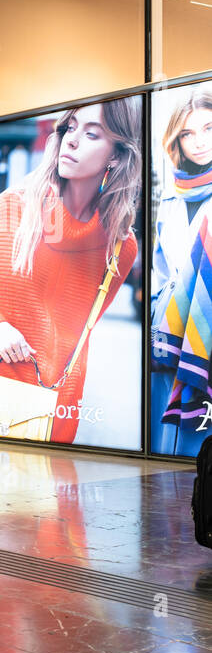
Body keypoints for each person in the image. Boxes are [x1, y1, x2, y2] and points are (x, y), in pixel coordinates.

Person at [0, 98, 142, 443]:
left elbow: (79, 329)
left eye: (92, 134)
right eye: (69, 128)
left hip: (60, 404)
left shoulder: (121, 246)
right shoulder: (10, 209)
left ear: (117, 155)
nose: (71, 141)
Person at [151, 86, 212, 455]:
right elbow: (162, 269)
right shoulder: (171, 196)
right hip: (170, 339)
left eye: (209, 128)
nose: (199, 142)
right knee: (168, 451)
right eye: (188, 133)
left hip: (207, 336)